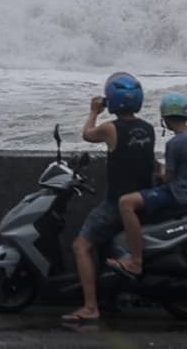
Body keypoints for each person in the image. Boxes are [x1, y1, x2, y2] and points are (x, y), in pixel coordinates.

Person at [63, 72, 156, 323]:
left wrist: (94, 110)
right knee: (104, 247)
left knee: (80, 246)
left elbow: (87, 134)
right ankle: (111, 296)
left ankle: (90, 306)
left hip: (116, 204)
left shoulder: (110, 129)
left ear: (112, 100)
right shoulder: (147, 128)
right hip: (144, 199)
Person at [106, 92, 187, 278]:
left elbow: (168, 179)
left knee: (126, 203)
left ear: (166, 119)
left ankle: (135, 262)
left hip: (179, 195)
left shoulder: (175, 143)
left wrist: (161, 173)